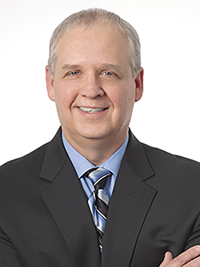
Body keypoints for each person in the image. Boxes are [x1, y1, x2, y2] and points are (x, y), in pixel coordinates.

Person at [0, 8, 200, 267]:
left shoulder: (192, 188)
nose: (91, 90)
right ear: (51, 83)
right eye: (74, 72)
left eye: (108, 73)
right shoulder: (5, 192)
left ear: (137, 84)